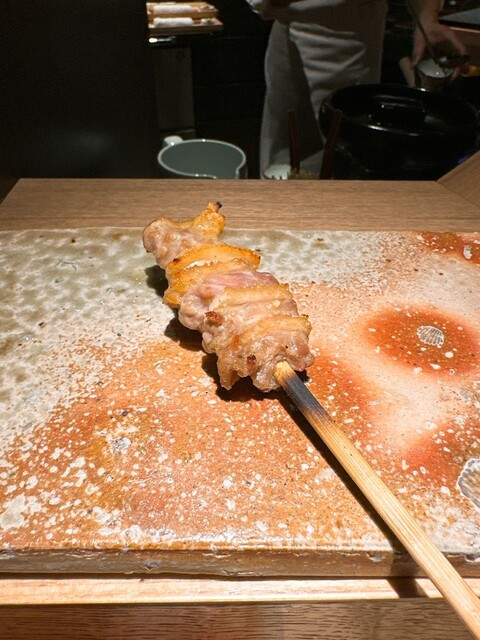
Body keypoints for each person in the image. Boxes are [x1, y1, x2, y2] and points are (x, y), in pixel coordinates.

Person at [247, 0, 467, 176]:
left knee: (345, 156)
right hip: (284, 14)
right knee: (283, 154)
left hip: (343, 20)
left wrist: (427, 18)